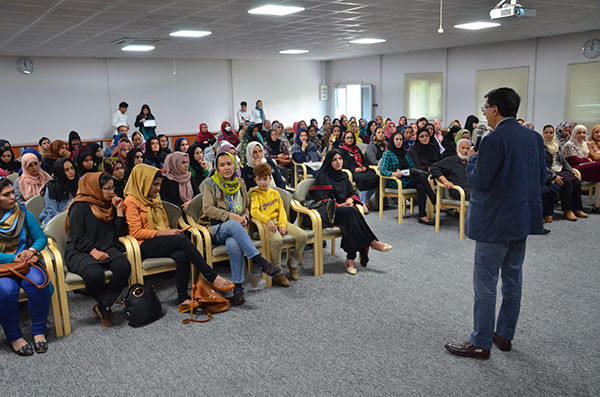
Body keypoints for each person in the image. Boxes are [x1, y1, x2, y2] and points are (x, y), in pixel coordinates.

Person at [445, 87, 546, 359]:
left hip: (494, 222)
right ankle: (504, 334)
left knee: (486, 281)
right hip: (521, 218)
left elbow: (479, 181)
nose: (485, 114)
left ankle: (480, 341)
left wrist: (471, 161)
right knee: (513, 278)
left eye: (485, 108)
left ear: (496, 109)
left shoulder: (493, 140)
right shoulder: (534, 138)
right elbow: (540, 178)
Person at [123, 164, 233, 309]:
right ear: (142, 182)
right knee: (181, 240)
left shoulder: (154, 198)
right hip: (142, 244)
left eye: (159, 185)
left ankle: (182, 298)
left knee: (182, 255)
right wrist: (166, 233)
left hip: (158, 240)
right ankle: (211, 276)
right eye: (154, 185)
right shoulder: (130, 201)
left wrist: (170, 231)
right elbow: (136, 232)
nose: (157, 189)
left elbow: (163, 223)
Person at [199, 152, 287, 303]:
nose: (226, 168)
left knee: (234, 244)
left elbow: (246, 206)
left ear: (234, 165)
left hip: (237, 229)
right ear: (217, 167)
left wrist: (244, 217)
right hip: (216, 227)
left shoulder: (240, 182)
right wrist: (231, 216)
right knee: (233, 224)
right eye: (222, 165)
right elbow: (207, 209)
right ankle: (261, 261)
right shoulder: (209, 184)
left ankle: (238, 288)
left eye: (229, 164)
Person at [64, 173, 131, 327]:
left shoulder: (109, 205)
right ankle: (106, 306)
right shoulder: (79, 206)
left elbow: (120, 233)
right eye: (108, 189)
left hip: (105, 245)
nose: (112, 192)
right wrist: (93, 251)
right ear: (95, 188)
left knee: (124, 267)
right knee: (94, 274)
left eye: (113, 187)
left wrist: (119, 211)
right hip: (80, 249)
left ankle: (104, 305)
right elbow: (77, 236)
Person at [309, 150, 391, 274]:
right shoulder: (323, 176)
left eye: (340, 159)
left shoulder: (343, 176)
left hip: (346, 212)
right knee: (352, 212)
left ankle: (350, 259)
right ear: (329, 162)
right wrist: (340, 204)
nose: (338, 162)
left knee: (351, 218)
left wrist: (350, 199)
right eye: (335, 160)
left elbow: (352, 193)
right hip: (328, 213)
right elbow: (321, 199)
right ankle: (372, 242)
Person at [0, 177, 51, 356]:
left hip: (25, 262)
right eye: (6, 195)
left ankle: (38, 331)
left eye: (12, 193)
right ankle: (14, 337)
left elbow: (41, 238)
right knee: (5, 291)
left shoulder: (21, 212)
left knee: (39, 283)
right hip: (3, 268)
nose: (12, 197)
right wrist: (14, 258)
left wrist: (31, 250)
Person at [250, 163, 307, 282]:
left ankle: (293, 263)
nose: (263, 182)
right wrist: (268, 221)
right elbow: (254, 212)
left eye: (265, 179)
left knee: (302, 236)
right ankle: (278, 270)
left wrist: (282, 224)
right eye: (259, 179)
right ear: (255, 180)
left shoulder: (275, 193)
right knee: (277, 240)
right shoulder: (254, 194)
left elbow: (281, 210)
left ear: (270, 178)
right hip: (266, 224)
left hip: (280, 221)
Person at [379, 131, 436, 225]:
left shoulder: (405, 153)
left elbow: (412, 166)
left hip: (406, 178)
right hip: (396, 181)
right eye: (396, 139)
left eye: (401, 139)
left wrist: (409, 171)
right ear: (392, 141)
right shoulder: (387, 153)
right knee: (422, 177)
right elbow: (382, 170)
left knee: (421, 186)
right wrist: (393, 174)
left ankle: (422, 215)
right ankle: (434, 199)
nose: (399, 142)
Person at [541, 125, 586, 222]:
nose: (548, 135)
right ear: (543, 134)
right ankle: (567, 210)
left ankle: (577, 208)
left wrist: (572, 172)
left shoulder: (557, 145)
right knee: (567, 183)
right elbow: (541, 165)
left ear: (554, 134)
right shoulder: (540, 146)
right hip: (550, 171)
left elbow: (564, 162)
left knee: (576, 181)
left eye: (551, 132)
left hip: (561, 169)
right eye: (546, 132)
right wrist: (554, 176)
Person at [561, 124, 600, 212]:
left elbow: (583, 159)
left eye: (584, 133)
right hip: (574, 169)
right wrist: (588, 159)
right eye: (579, 133)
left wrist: (586, 160)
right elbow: (575, 160)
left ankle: (597, 206)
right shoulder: (569, 145)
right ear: (574, 133)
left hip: (584, 167)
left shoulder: (583, 145)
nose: (582, 135)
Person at [339, 131, 379, 209]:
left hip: (362, 170)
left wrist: (365, 167)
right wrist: (354, 169)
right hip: (351, 172)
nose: (350, 140)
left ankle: (367, 197)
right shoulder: (342, 151)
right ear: (344, 139)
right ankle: (362, 203)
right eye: (348, 138)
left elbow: (364, 161)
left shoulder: (356, 149)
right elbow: (343, 164)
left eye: (351, 138)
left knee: (377, 177)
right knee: (362, 179)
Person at [39, 158, 78, 226]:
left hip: (74, 218)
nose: (71, 172)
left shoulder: (77, 183)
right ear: (60, 172)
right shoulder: (52, 188)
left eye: (72, 168)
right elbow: (52, 212)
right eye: (66, 170)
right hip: (57, 222)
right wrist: (70, 220)